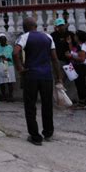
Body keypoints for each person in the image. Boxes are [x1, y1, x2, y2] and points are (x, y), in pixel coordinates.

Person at [13, 17, 63, 146]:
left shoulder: (25, 37)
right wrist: (59, 77)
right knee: (47, 105)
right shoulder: (48, 37)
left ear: (25, 27)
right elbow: (55, 59)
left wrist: (20, 69)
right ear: (36, 26)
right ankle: (48, 132)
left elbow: (15, 53)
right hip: (46, 75)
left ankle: (35, 136)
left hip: (31, 75)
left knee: (30, 106)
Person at [66, 30, 86, 109]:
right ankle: (83, 102)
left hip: (81, 67)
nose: (74, 37)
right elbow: (74, 52)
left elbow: (82, 59)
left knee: (81, 85)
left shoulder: (82, 46)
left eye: (76, 36)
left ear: (79, 37)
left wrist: (71, 56)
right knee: (79, 84)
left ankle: (83, 103)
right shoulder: (78, 45)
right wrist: (69, 43)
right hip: (77, 67)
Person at [0, 34, 16, 101]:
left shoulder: (10, 47)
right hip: (1, 66)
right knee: (2, 82)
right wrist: (0, 56)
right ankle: (3, 96)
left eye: (4, 40)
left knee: (10, 81)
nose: (3, 42)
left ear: (6, 40)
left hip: (9, 65)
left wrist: (7, 59)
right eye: (1, 40)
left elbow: (12, 57)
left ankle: (10, 96)